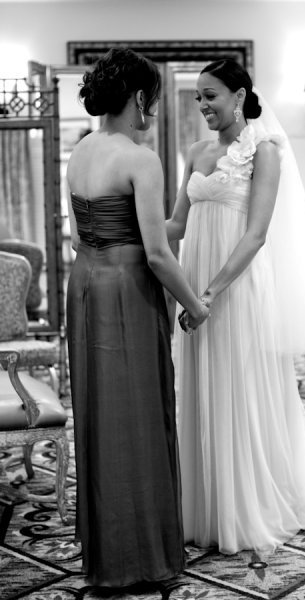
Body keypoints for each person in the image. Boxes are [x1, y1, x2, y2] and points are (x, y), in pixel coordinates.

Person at [167, 58, 305, 555]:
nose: (202, 105)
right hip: (195, 284)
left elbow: (255, 235)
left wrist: (210, 293)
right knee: (203, 385)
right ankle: (206, 504)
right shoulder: (196, 152)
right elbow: (177, 225)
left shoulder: (265, 150)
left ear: (239, 96)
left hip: (236, 288)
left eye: (211, 95)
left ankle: (247, 505)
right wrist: (125, 231)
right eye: (198, 96)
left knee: (239, 387)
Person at [66, 48, 209, 589]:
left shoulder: (81, 151)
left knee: (100, 416)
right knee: (141, 416)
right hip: (127, 292)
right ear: (140, 97)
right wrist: (195, 304)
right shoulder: (140, 158)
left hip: (85, 285)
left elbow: (81, 237)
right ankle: (143, 559)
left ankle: (108, 556)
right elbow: (156, 255)